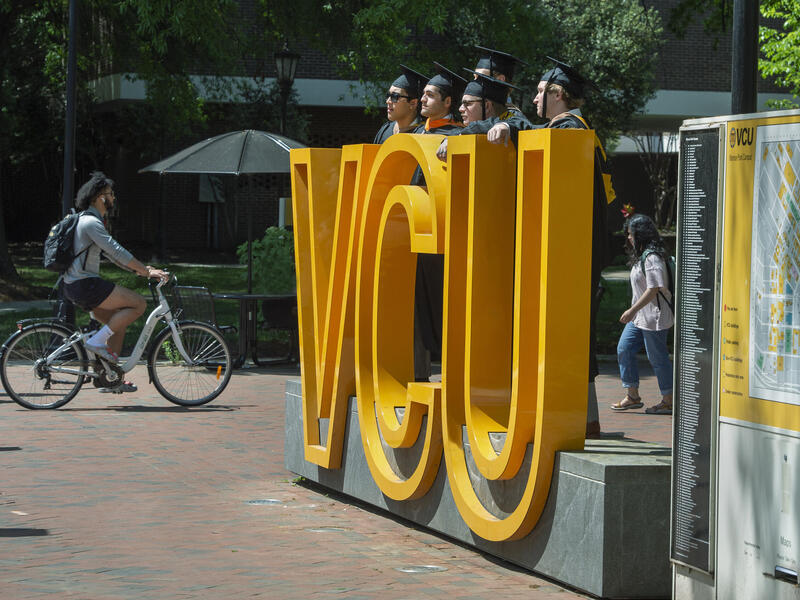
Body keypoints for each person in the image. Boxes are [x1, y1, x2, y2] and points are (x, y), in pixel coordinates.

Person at [485, 57, 616, 437]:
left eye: (542, 91)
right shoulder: (579, 131)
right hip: (577, 246)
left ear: (558, 95)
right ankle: (585, 418)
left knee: (566, 332)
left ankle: (574, 418)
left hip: (567, 249)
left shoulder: (569, 132)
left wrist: (509, 123)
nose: (536, 98)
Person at [62, 171, 169, 392]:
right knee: (138, 304)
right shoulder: (91, 222)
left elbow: (111, 256)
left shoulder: (87, 221)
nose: (113, 199)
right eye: (111, 194)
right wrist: (147, 273)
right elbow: (117, 251)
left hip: (75, 286)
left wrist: (143, 270)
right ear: (100, 197)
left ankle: (109, 378)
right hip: (85, 285)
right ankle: (94, 344)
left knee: (117, 324)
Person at [611, 214, 673, 415]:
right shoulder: (642, 255)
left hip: (654, 317)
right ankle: (633, 396)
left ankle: (668, 400)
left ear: (641, 234)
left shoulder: (652, 257)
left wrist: (631, 310)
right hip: (640, 317)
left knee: (657, 358)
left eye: (631, 234)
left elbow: (654, 288)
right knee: (624, 348)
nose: (629, 238)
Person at [373, 65, 427, 144]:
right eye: (388, 96)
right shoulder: (385, 130)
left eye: (394, 97)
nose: (388, 101)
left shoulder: (424, 134)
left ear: (413, 103)